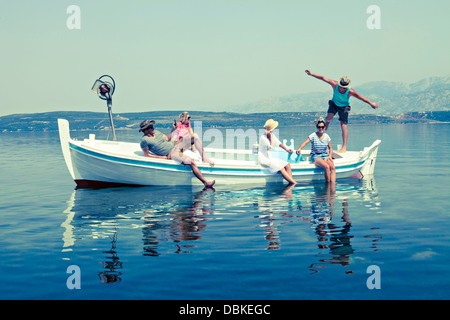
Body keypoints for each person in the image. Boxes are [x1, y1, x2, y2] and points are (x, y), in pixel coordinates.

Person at [305, 69, 378, 153]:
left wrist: (371, 103)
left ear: (347, 86)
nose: (342, 89)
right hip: (334, 103)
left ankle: (344, 147)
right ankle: (327, 122)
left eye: (344, 87)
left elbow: (362, 98)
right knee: (329, 118)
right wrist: (311, 74)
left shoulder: (351, 91)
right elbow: (322, 78)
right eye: (341, 86)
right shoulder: (334, 84)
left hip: (344, 107)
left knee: (343, 125)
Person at [139, 120, 215, 188]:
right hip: (171, 153)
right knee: (191, 162)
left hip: (176, 145)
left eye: (152, 126)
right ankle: (206, 183)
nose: (153, 128)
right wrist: (162, 158)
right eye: (151, 127)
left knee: (195, 136)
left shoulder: (157, 132)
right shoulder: (144, 140)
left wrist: (174, 129)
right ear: (145, 130)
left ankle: (204, 158)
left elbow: (167, 138)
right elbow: (147, 155)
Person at [296, 118, 336, 183]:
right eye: (319, 127)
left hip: (325, 155)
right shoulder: (313, 135)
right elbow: (305, 142)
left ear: (324, 127)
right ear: (317, 127)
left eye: (322, 127)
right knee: (327, 167)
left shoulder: (327, 136)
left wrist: (330, 156)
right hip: (316, 156)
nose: (321, 128)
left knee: (333, 168)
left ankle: (333, 185)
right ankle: (328, 185)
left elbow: (330, 148)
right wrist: (300, 148)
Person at [258, 119, 297, 185]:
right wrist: (270, 137)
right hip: (264, 159)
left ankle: (291, 182)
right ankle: (294, 183)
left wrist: (286, 150)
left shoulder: (272, 135)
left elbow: (278, 143)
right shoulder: (263, 137)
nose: (275, 128)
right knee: (281, 167)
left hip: (269, 158)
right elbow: (272, 147)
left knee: (287, 165)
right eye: (274, 128)